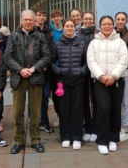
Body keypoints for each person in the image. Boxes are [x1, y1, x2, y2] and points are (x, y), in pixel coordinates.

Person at [4, 9, 51, 154]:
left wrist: (33, 69)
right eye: (26, 19)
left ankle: (36, 140)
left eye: (31, 19)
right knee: (18, 111)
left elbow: (46, 56)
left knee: (35, 111)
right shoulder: (13, 36)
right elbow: (7, 57)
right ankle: (18, 141)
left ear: (34, 21)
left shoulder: (40, 36)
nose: (28, 22)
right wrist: (20, 70)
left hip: (35, 77)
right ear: (21, 21)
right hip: (19, 78)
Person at [87, 15, 128, 155]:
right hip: (100, 81)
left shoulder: (120, 42)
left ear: (113, 25)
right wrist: (101, 76)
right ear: (100, 25)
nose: (107, 26)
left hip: (117, 81)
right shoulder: (94, 42)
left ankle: (112, 139)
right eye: (104, 24)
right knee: (103, 108)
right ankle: (102, 140)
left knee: (115, 109)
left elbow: (123, 61)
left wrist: (113, 76)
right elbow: (91, 61)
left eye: (109, 24)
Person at [51, 19, 88, 150]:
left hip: (78, 81)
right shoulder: (57, 44)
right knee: (64, 110)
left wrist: (81, 72)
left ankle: (77, 137)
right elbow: (51, 62)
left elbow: (86, 62)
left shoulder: (82, 43)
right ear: (64, 27)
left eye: (71, 26)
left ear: (75, 27)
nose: (69, 28)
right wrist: (59, 72)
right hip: (63, 82)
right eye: (67, 26)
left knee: (77, 110)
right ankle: (65, 137)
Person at [115, 12, 128, 142]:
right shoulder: (111, 34)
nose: (120, 21)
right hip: (113, 72)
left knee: (127, 101)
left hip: (127, 71)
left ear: (126, 21)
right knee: (117, 101)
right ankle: (116, 126)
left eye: (123, 19)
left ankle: (125, 128)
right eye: (118, 19)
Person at [34, 9, 55, 133]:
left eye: (43, 15)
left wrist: (46, 64)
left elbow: (50, 49)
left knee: (45, 96)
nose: (41, 17)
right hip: (35, 69)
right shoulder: (32, 31)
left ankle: (43, 122)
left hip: (46, 70)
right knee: (35, 98)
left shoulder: (48, 31)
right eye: (39, 15)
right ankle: (36, 123)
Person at [78, 11, 98, 142]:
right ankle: (88, 127)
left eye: (90, 18)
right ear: (82, 20)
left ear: (93, 20)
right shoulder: (77, 34)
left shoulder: (98, 34)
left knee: (97, 100)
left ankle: (96, 128)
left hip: (96, 71)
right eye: (86, 18)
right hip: (82, 71)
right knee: (84, 100)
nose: (88, 20)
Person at [49, 9, 64, 127]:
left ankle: (66, 116)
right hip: (54, 67)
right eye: (54, 17)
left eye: (59, 16)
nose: (57, 18)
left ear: (62, 17)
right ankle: (59, 116)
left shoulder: (67, 29)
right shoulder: (49, 31)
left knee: (65, 93)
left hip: (65, 66)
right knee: (56, 93)